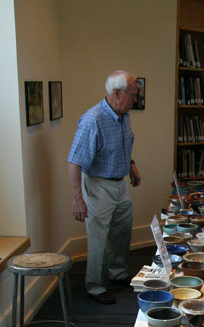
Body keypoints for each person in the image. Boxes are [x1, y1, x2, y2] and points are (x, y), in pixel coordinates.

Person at [68, 70, 142, 305]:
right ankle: (95, 286)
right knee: (99, 238)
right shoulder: (93, 120)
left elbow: (121, 146)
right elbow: (74, 162)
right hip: (98, 185)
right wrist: (77, 199)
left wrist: (131, 166)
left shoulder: (123, 115)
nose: (135, 99)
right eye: (132, 95)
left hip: (119, 183)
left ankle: (117, 274)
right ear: (117, 93)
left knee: (122, 230)